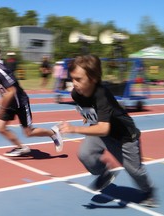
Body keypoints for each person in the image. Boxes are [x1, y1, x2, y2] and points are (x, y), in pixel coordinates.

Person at [58, 55, 158, 208]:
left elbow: (104, 128)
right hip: (102, 132)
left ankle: (148, 191)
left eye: (79, 79)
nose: (74, 84)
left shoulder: (102, 95)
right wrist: (87, 122)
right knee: (85, 153)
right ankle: (105, 172)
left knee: (135, 172)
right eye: (73, 79)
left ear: (93, 78)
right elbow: (90, 115)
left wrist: (74, 129)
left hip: (124, 137)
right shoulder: (76, 94)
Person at [0, 42, 63, 157]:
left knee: (28, 132)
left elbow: (12, 91)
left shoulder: (1, 71)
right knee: (0, 128)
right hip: (9, 103)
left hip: (20, 103)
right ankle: (22, 147)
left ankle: (53, 133)